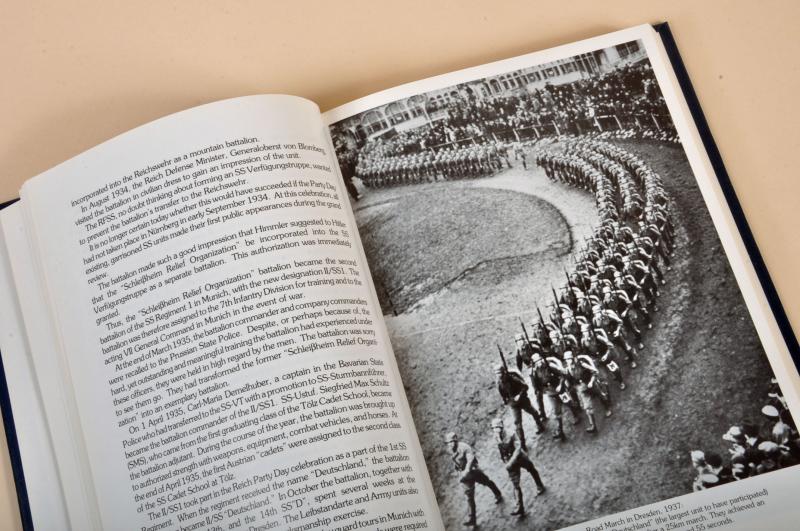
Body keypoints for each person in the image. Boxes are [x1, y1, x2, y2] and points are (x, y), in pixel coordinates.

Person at [445, 432, 503, 527]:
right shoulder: (450, 450)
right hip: (465, 477)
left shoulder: (464, 447)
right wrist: (459, 472)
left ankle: (498, 494)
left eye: (452, 442)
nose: (450, 444)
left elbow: (470, 459)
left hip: (473, 471)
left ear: (456, 441)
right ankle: (472, 519)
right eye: (448, 443)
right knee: (469, 497)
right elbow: (456, 462)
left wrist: (466, 470)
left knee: (487, 482)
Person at [491, 418, 545, 518]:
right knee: (515, 484)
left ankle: (540, 485)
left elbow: (518, 448)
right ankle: (519, 507)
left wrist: (511, 462)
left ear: (502, 427)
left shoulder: (511, 434)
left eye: (497, 428)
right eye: (494, 428)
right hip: (510, 462)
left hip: (520, 457)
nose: (496, 430)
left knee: (531, 469)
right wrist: (504, 460)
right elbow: (500, 448)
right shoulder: (495, 437)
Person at [495, 363, 546, 448]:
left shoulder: (512, 378)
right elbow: (503, 394)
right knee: (517, 423)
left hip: (523, 400)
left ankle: (540, 425)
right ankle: (522, 443)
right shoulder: (499, 383)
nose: (498, 375)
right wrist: (507, 401)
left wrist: (519, 395)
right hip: (513, 404)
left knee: (533, 412)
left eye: (499, 373)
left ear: (503, 372)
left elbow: (525, 387)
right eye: (497, 373)